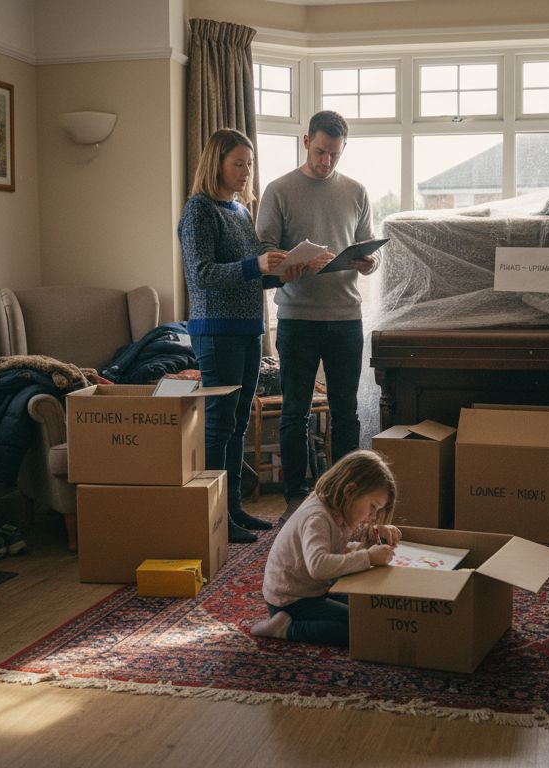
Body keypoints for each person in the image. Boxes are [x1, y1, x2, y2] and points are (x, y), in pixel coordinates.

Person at [178, 128, 320, 543]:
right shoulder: (199, 210)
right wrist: (255, 266)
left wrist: (282, 273)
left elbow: (249, 276)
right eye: (238, 163)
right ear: (216, 163)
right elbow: (201, 275)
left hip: (247, 330)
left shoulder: (241, 211)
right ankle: (214, 513)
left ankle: (234, 508)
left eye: (250, 163)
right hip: (215, 330)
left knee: (239, 423)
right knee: (220, 425)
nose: (246, 171)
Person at [256, 110, 378, 520]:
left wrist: (368, 264)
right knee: (295, 410)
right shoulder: (279, 189)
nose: (327, 161)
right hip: (297, 317)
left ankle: (346, 495)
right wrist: (287, 264)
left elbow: (367, 251)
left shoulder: (358, 191)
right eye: (321, 151)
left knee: (346, 411)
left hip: (346, 316)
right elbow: (264, 254)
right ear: (306, 140)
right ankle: (295, 498)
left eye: (335, 155)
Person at [251, 449, 401, 646]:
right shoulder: (318, 517)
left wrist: (374, 531)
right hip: (290, 600)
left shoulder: (339, 506)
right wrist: (369, 558)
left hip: (313, 589)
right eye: (373, 507)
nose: (373, 516)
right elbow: (319, 566)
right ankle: (286, 629)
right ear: (349, 491)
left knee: (368, 609)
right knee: (360, 627)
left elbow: (343, 536)